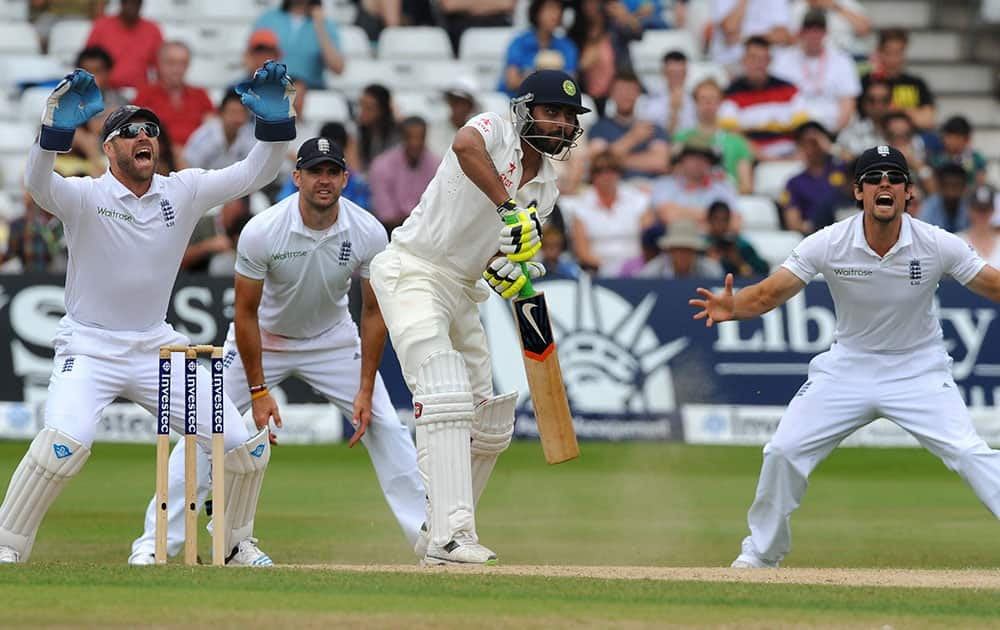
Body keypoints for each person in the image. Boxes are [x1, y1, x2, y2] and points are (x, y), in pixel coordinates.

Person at [0, 63, 297, 566]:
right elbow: (38, 185)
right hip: (90, 347)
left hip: (156, 348)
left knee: (246, 447)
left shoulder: (182, 190)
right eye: (130, 131)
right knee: (62, 448)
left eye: (151, 131)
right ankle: (7, 545)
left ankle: (233, 544)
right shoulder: (87, 196)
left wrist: (274, 124)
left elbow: (256, 173)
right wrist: (54, 130)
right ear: (109, 149)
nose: (145, 136)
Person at [689, 144, 1000, 569]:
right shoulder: (829, 242)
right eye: (874, 178)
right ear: (859, 192)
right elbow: (767, 294)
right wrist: (733, 306)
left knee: (969, 453)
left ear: (908, 192)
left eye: (894, 178)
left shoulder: (937, 244)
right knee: (782, 451)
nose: (884, 184)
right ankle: (761, 555)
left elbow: (993, 285)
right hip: (848, 366)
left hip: (919, 369)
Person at [129, 137, 427, 564]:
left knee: (386, 426)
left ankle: (429, 539)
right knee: (203, 430)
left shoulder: (368, 231)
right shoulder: (264, 230)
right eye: (314, 172)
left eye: (331, 172)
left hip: (332, 340)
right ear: (297, 177)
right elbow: (246, 315)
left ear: (345, 178)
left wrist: (365, 389)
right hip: (263, 339)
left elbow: (374, 313)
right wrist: (258, 391)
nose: (323, 181)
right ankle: (154, 546)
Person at [369, 69, 589, 564]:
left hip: (462, 290)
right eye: (551, 112)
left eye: (567, 117)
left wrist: (508, 271)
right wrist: (509, 210)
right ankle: (453, 536)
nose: (558, 124)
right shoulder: (493, 128)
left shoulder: (547, 189)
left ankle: (438, 529)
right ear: (526, 108)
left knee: (489, 421)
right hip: (413, 269)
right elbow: (466, 147)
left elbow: (502, 255)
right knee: (442, 387)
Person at [770, 8, 860, 134]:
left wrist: (833, 134)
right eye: (809, 30)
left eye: (818, 30)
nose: (814, 35)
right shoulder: (783, 60)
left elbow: (848, 102)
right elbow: (776, 99)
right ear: (801, 32)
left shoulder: (842, 60)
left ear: (825, 33)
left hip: (833, 129)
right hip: (794, 129)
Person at [719, 36, 809, 161]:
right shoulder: (731, 94)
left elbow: (804, 128)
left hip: (791, 154)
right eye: (753, 58)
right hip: (752, 159)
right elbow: (733, 133)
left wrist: (797, 155)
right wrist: (764, 157)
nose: (758, 64)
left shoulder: (789, 90)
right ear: (743, 60)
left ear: (770, 61)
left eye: (763, 59)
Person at [565, 150, 653, 276]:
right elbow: (582, 251)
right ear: (593, 175)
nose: (607, 176)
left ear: (619, 173)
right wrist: (609, 269)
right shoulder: (581, 205)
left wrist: (634, 266)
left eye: (612, 169)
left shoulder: (638, 200)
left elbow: (649, 242)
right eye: (600, 170)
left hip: (638, 271)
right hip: (598, 273)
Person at [132, 41, 215, 153]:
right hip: (161, 157)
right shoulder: (145, 94)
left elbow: (212, 131)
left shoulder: (200, 95)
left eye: (183, 63)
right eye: (171, 63)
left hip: (196, 156)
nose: (177, 69)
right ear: (159, 64)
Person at [674, 78, 754, 194]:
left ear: (720, 103)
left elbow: (747, 186)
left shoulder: (737, 142)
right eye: (703, 99)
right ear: (695, 103)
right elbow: (675, 177)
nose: (708, 103)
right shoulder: (682, 138)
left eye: (712, 99)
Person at [588, 70, 671, 179]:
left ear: (638, 94)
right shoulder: (599, 128)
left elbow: (661, 163)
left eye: (630, 90)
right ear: (611, 94)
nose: (625, 95)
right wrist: (633, 138)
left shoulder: (652, 127)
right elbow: (597, 162)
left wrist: (615, 160)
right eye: (620, 90)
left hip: (648, 188)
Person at [368, 116, 441, 233]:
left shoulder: (437, 165)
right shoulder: (381, 166)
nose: (415, 143)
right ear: (402, 137)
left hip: (427, 231)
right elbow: (386, 216)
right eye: (410, 137)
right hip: (391, 232)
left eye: (420, 138)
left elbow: (438, 210)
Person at [253, 0, 345, 89]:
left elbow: (337, 68)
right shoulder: (268, 19)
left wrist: (320, 25)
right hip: (273, 90)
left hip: (310, 93)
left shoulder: (325, 24)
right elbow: (250, 59)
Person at [860, 28, 935, 131]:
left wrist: (897, 108)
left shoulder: (916, 83)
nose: (893, 59)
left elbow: (927, 121)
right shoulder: (867, 82)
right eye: (888, 52)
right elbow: (860, 118)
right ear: (879, 51)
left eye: (898, 52)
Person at [499, 0, 579, 97]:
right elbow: (512, 82)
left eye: (559, 9)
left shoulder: (567, 46)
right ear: (537, 12)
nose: (556, 14)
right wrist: (545, 76)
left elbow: (571, 83)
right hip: (517, 99)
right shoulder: (519, 43)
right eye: (550, 9)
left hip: (554, 101)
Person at [780, 120, 847, 234]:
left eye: (816, 142)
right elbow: (793, 223)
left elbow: (862, 164)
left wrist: (831, 147)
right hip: (814, 236)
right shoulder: (794, 183)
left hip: (847, 229)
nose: (813, 148)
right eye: (806, 143)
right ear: (799, 147)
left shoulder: (844, 171)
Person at [84, 0, 163, 90]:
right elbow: (86, 62)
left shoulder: (152, 30)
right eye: (126, 2)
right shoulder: (102, 26)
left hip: (140, 93)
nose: (131, 6)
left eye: (136, 2)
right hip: (105, 91)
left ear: (141, 4)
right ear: (121, 3)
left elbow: (161, 67)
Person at [710, 0, 792, 73]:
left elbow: (783, 36)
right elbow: (730, 28)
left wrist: (745, 37)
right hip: (732, 64)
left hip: (770, 64)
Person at [184, 90, 256, 171]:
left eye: (242, 113)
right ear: (221, 113)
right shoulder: (205, 137)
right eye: (233, 112)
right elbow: (189, 168)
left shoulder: (250, 134)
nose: (237, 119)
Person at [638, 50, 697, 137]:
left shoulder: (695, 99)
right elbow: (649, 135)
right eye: (672, 73)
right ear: (664, 72)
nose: (676, 78)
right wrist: (674, 111)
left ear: (686, 73)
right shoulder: (651, 102)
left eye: (680, 73)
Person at [637, 220, 723, 278]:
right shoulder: (653, 271)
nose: (683, 255)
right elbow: (640, 285)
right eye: (678, 249)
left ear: (695, 250)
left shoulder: (711, 270)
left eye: (687, 250)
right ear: (670, 250)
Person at [704, 200, 769, 276]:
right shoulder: (700, 245)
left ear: (729, 221)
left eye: (724, 220)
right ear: (709, 220)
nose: (720, 224)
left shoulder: (742, 246)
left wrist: (739, 262)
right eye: (716, 219)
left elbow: (763, 270)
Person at [928, 116, 987, 187]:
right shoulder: (937, 159)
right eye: (946, 137)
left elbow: (980, 183)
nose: (947, 141)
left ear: (966, 139)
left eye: (952, 137)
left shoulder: (976, 158)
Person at [427, 78, 479, 159]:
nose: (459, 107)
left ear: (471, 107)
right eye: (455, 101)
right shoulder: (435, 130)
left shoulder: (478, 133)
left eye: (464, 103)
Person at [919, 162, 970, 233]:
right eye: (946, 185)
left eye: (956, 186)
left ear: (964, 188)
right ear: (939, 186)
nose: (951, 192)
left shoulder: (971, 207)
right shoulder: (929, 207)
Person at [959, 185, 1000, 267]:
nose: (982, 215)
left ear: (993, 211)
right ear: (969, 210)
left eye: (986, 210)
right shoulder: (957, 241)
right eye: (978, 210)